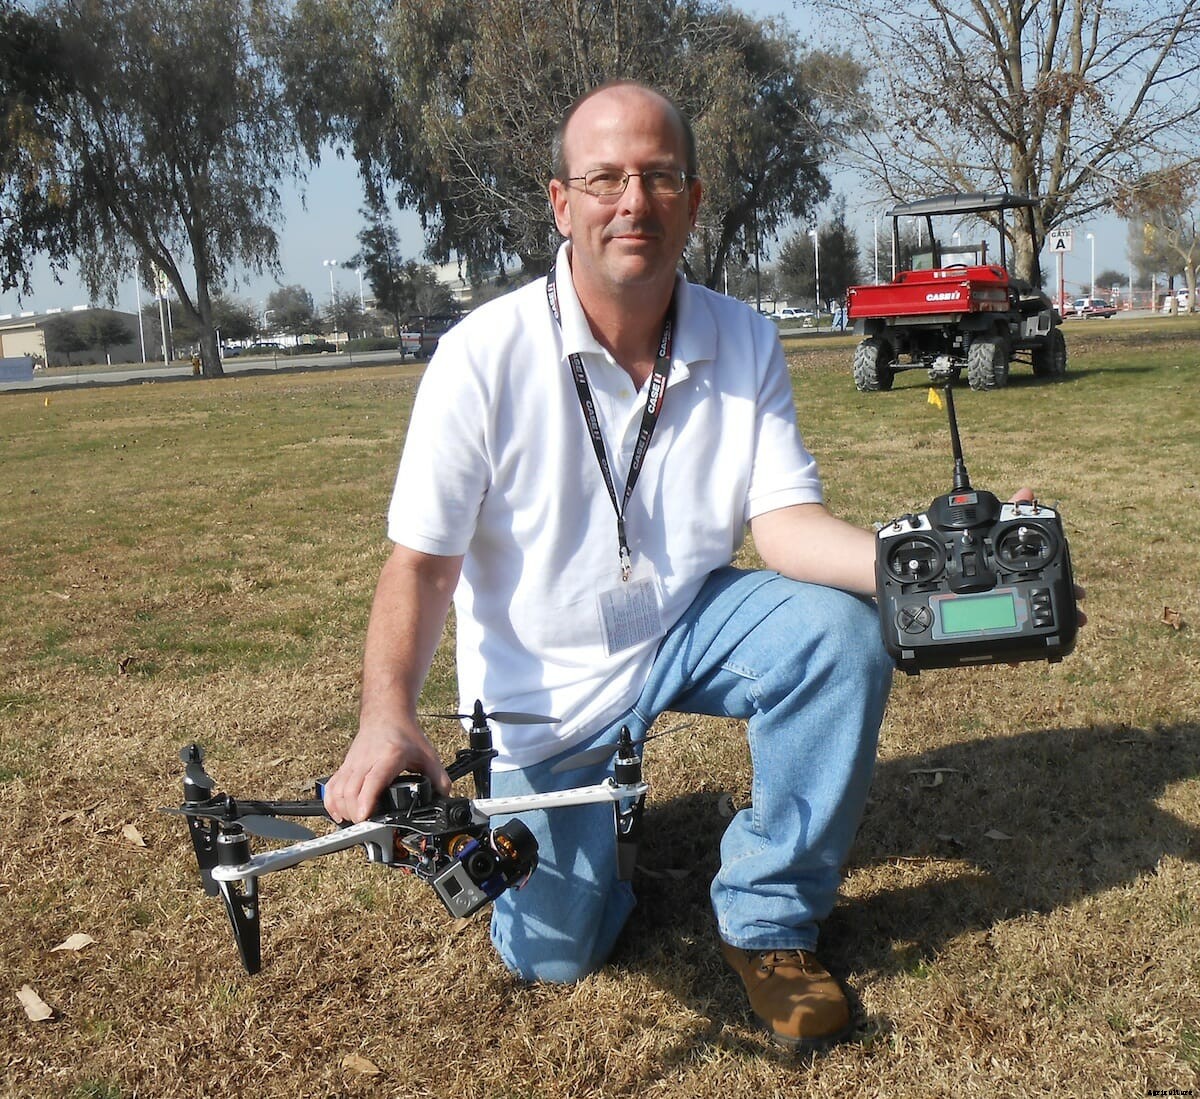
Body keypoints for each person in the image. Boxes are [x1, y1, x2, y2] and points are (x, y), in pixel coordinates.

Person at [322, 80, 895, 1052]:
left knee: (840, 633)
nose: (634, 201)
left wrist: (909, 566)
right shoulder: (482, 358)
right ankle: (602, 850)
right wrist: (387, 717)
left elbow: (788, 527)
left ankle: (769, 915)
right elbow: (419, 567)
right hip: (546, 691)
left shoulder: (744, 336)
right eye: (605, 178)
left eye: (659, 176)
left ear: (694, 199)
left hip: (688, 621)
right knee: (554, 954)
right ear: (562, 202)